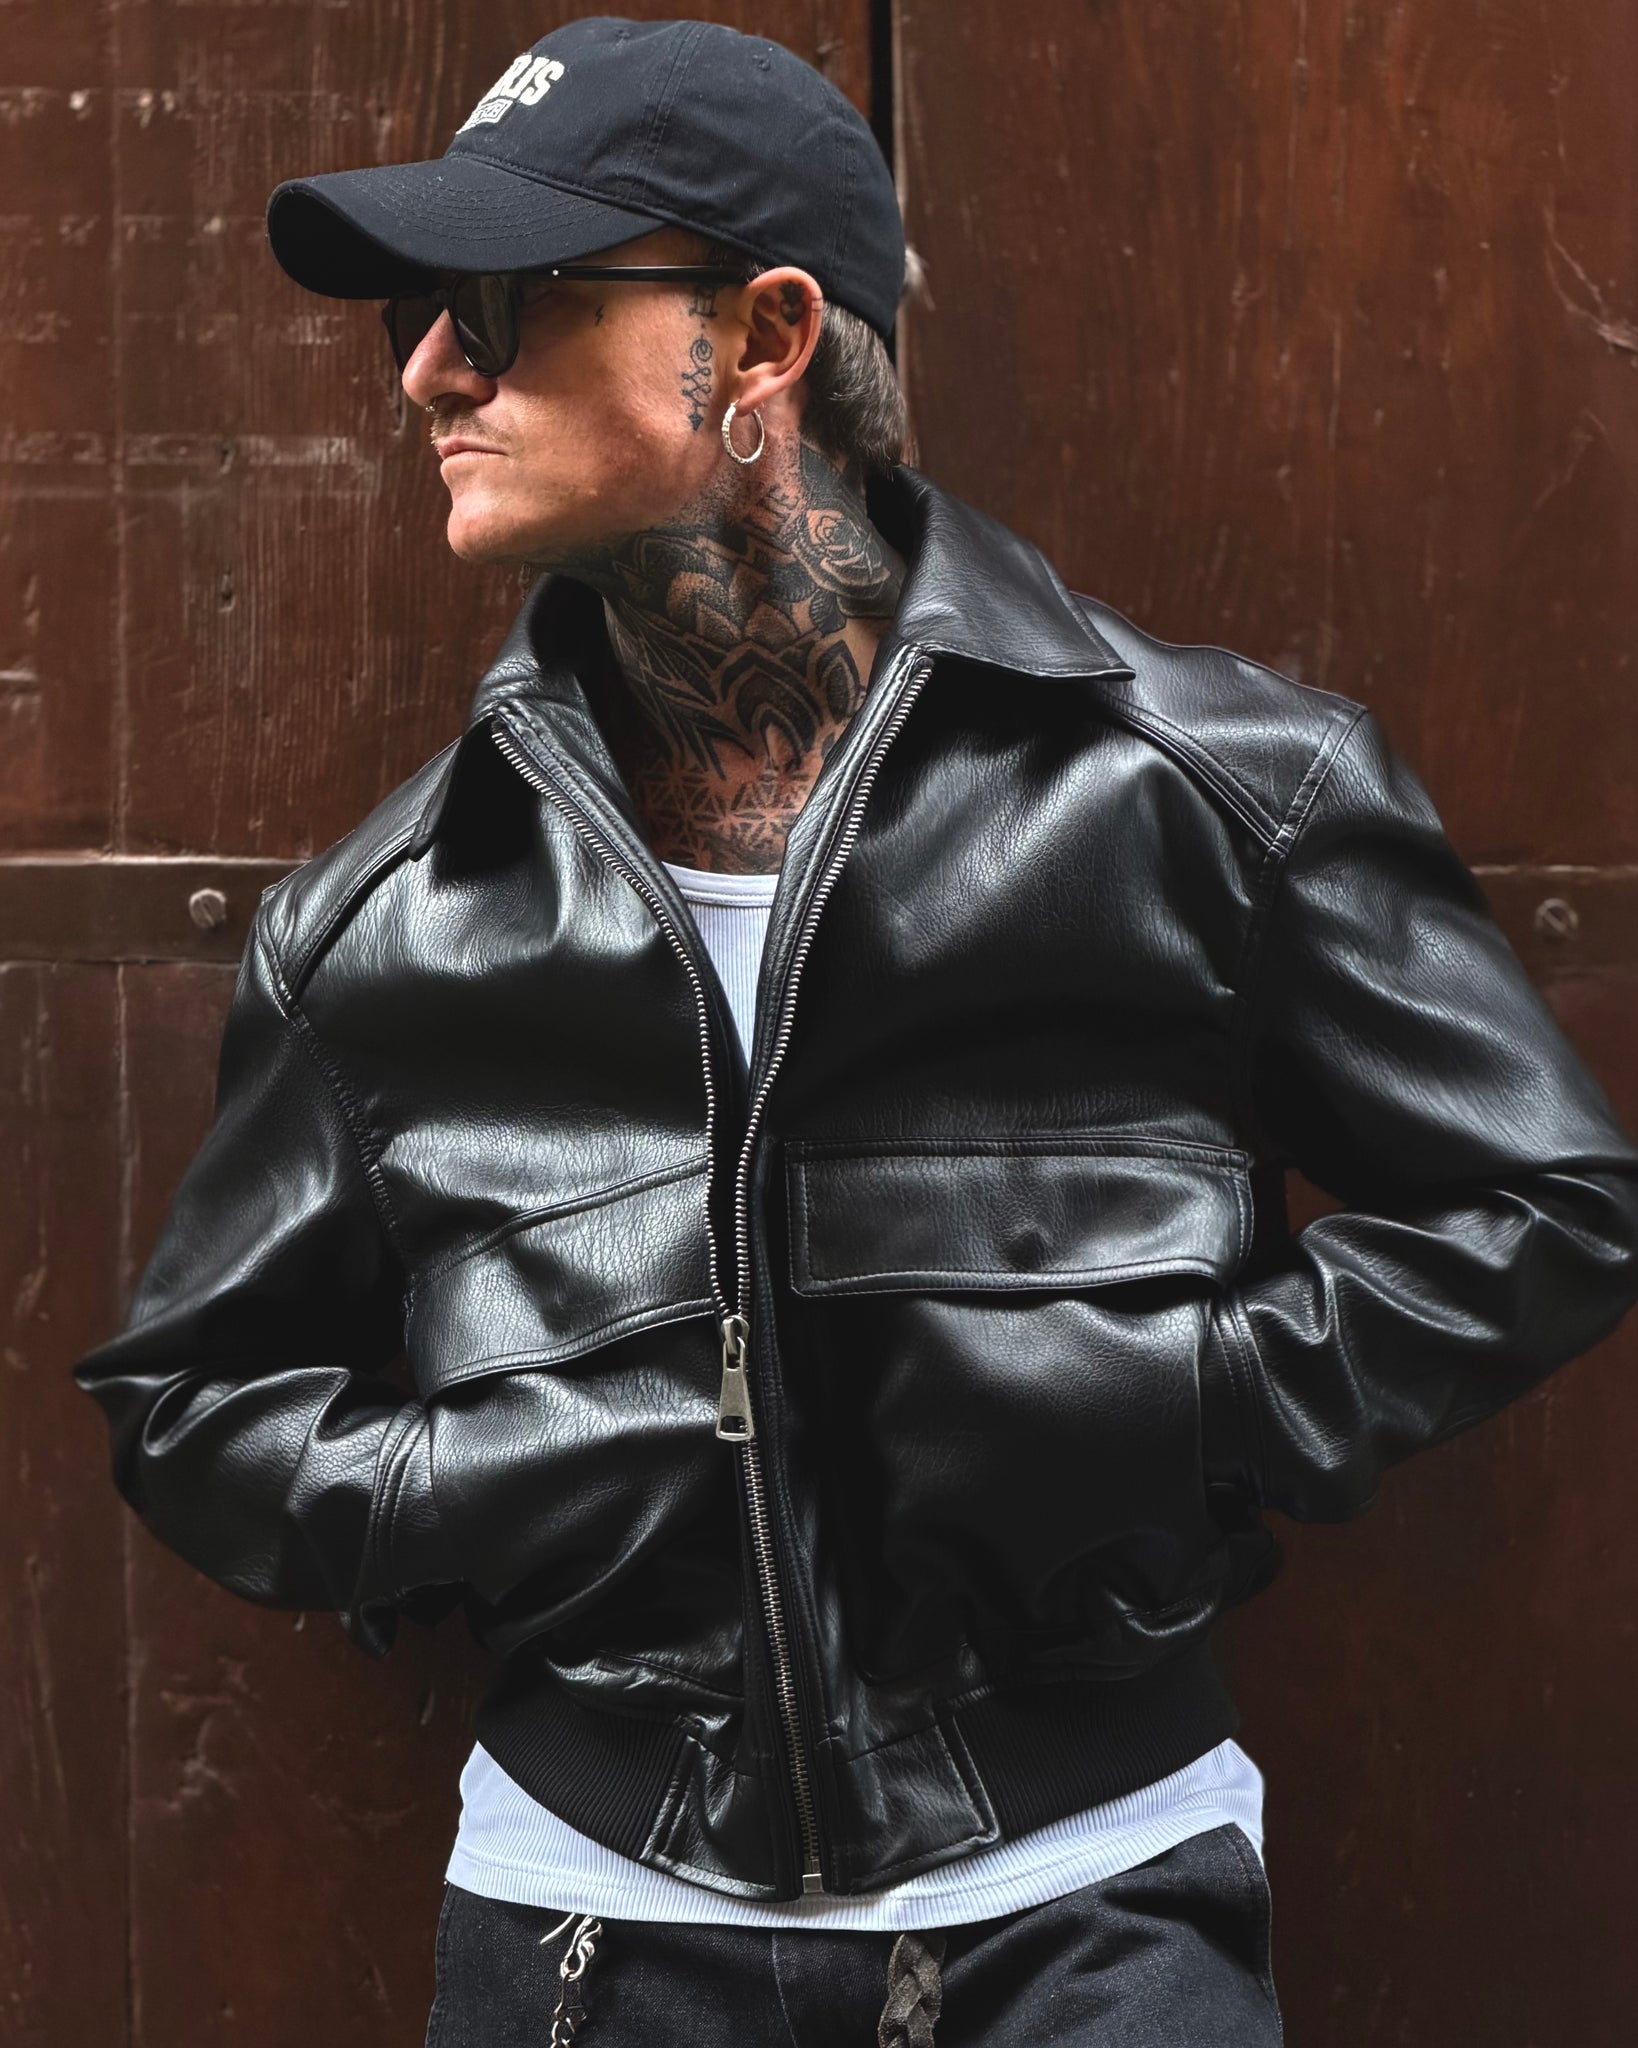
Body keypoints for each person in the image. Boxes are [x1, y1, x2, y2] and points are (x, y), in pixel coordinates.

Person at [72, 17, 1638, 2046]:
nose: (430, 370)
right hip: (590, 1938)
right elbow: (191, 1401)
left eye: (503, 302)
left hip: (1087, 1903)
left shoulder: (1206, 797)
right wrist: (495, 1471)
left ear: (766, 338)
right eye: (418, 316)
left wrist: (1175, 1395)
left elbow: (1548, 1203)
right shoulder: (384, 921)